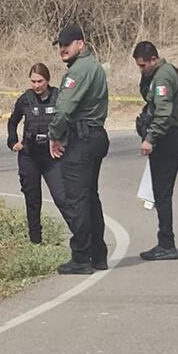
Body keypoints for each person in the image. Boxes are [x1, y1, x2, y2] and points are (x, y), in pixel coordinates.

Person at [48, 24, 110, 275]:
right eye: (60, 44)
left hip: (81, 139)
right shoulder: (93, 67)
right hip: (94, 136)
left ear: (81, 44)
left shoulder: (79, 71)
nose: (63, 48)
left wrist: (55, 135)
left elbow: (63, 109)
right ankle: (98, 254)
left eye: (68, 43)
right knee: (90, 197)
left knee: (77, 199)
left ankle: (82, 257)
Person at [133, 41, 178, 261]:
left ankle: (166, 243)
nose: (142, 69)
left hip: (166, 140)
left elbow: (163, 113)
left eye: (143, 66)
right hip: (166, 139)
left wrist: (150, 139)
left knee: (162, 195)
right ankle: (165, 241)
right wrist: (146, 77)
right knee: (160, 193)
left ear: (154, 59)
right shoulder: (157, 74)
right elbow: (148, 96)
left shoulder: (163, 76)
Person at [7, 63, 67, 244]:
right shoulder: (25, 99)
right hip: (29, 155)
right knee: (32, 200)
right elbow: (13, 121)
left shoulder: (58, 97)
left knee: (61, 197)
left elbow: (68, 120)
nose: (36, 85)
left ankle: (80, 237)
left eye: (40, 81)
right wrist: (13, 142)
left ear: (47, 80)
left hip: (51, 156)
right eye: (33, 81)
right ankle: (35, 241)